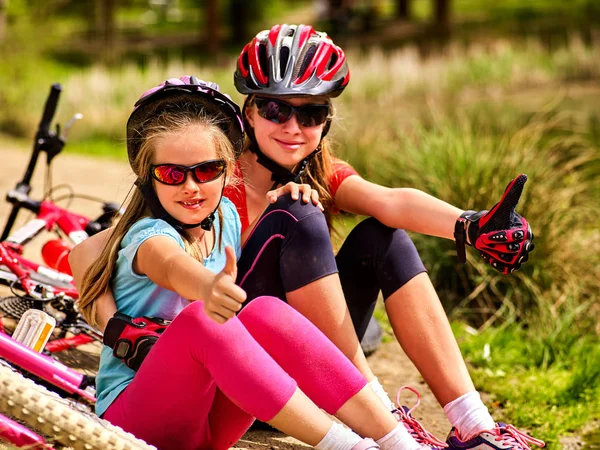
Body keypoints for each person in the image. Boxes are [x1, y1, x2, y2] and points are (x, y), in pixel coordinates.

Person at [70, 25, 543, 450]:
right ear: (248, 112)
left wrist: (470, 225)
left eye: (312, 113)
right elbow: (98, 252)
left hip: (294, 354)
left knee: (385, 238)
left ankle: (474, 425)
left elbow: (390, 201)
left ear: (326, 121)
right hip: (228, 352)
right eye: (276, 109)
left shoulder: (311, 175)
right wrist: (118, 328)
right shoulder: (209, 184)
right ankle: (382, 417)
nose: (294, 128)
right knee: (296, 217)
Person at [74, 76, 444, 450]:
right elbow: (168, 264)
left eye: (206, 171)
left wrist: (285, 204)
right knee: (205, 318)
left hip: (207, 426)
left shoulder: (226, 221)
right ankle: (351, 447)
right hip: (135, 418)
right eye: (172, 174)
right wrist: (206, 286)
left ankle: (399, 442)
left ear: (229, 170)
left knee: (265, 312)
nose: (191, 186)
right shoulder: (149, 235)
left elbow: (272, 258)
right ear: (148, 179)